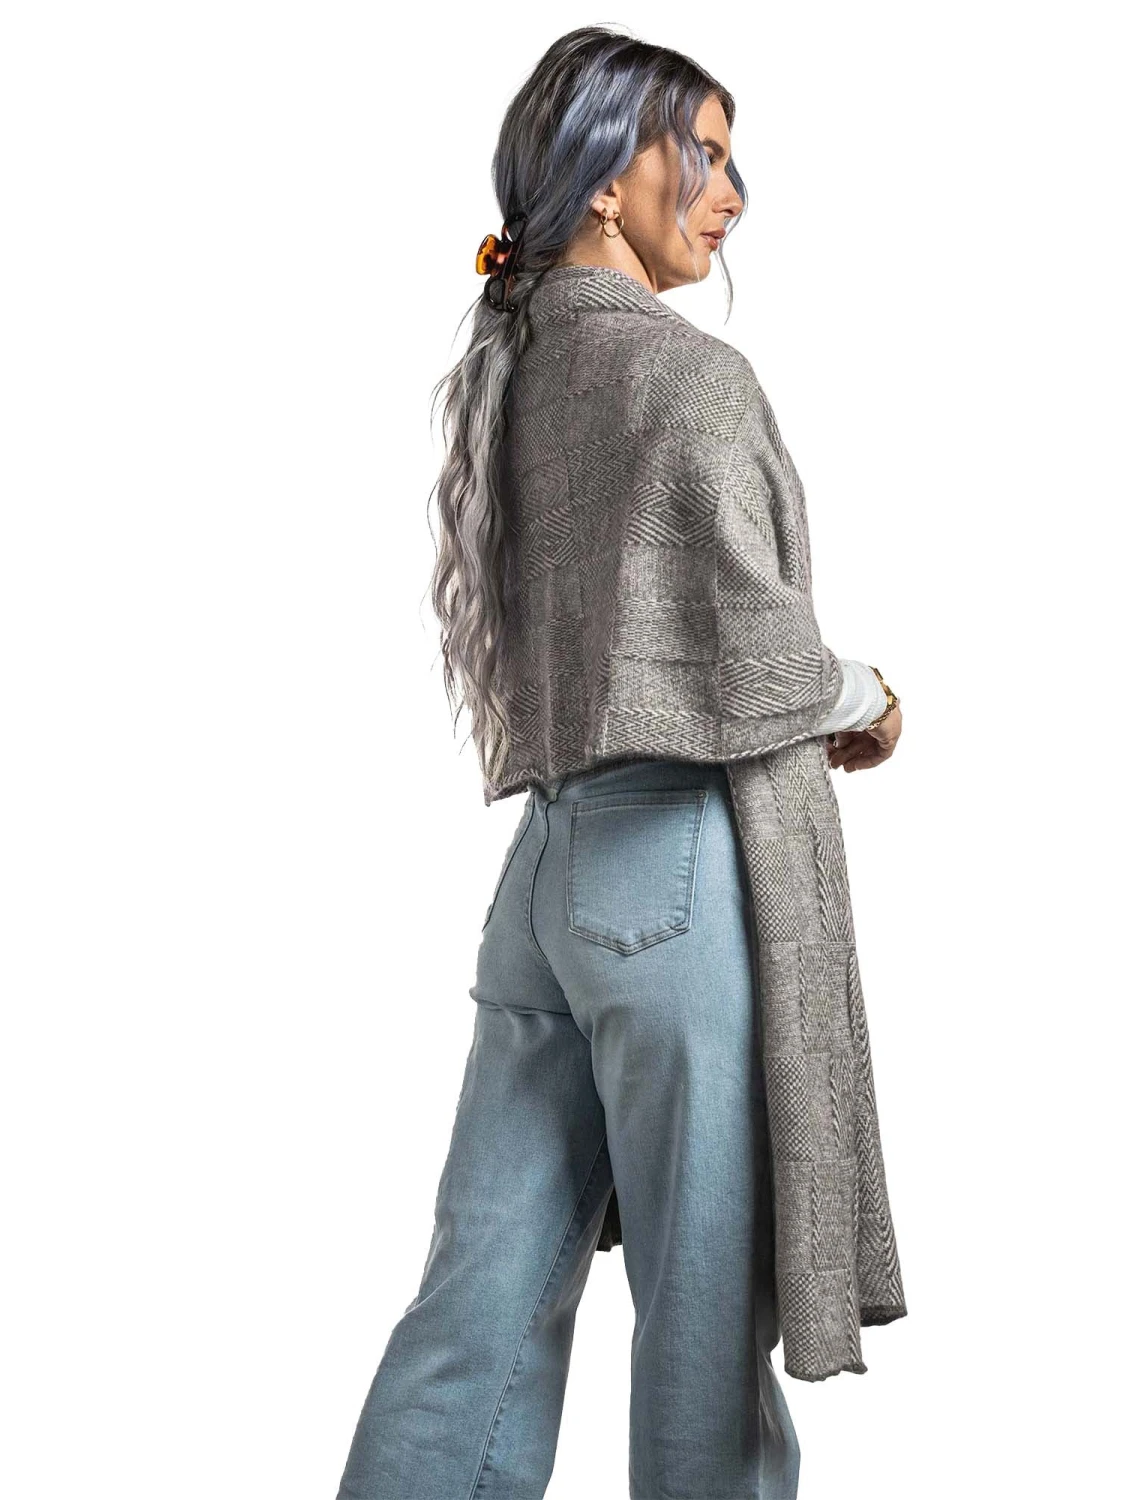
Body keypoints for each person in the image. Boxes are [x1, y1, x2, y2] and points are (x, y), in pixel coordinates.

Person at [336, 24, 905, 1500]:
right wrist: (871, 695)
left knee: (477, 1314)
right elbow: (758, 664)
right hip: (673, 874)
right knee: (704, 1332)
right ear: (604, 176)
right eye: (701, 152)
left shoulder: (512, 371)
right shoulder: (687, 375)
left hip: (545, 873)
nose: (732, 193)